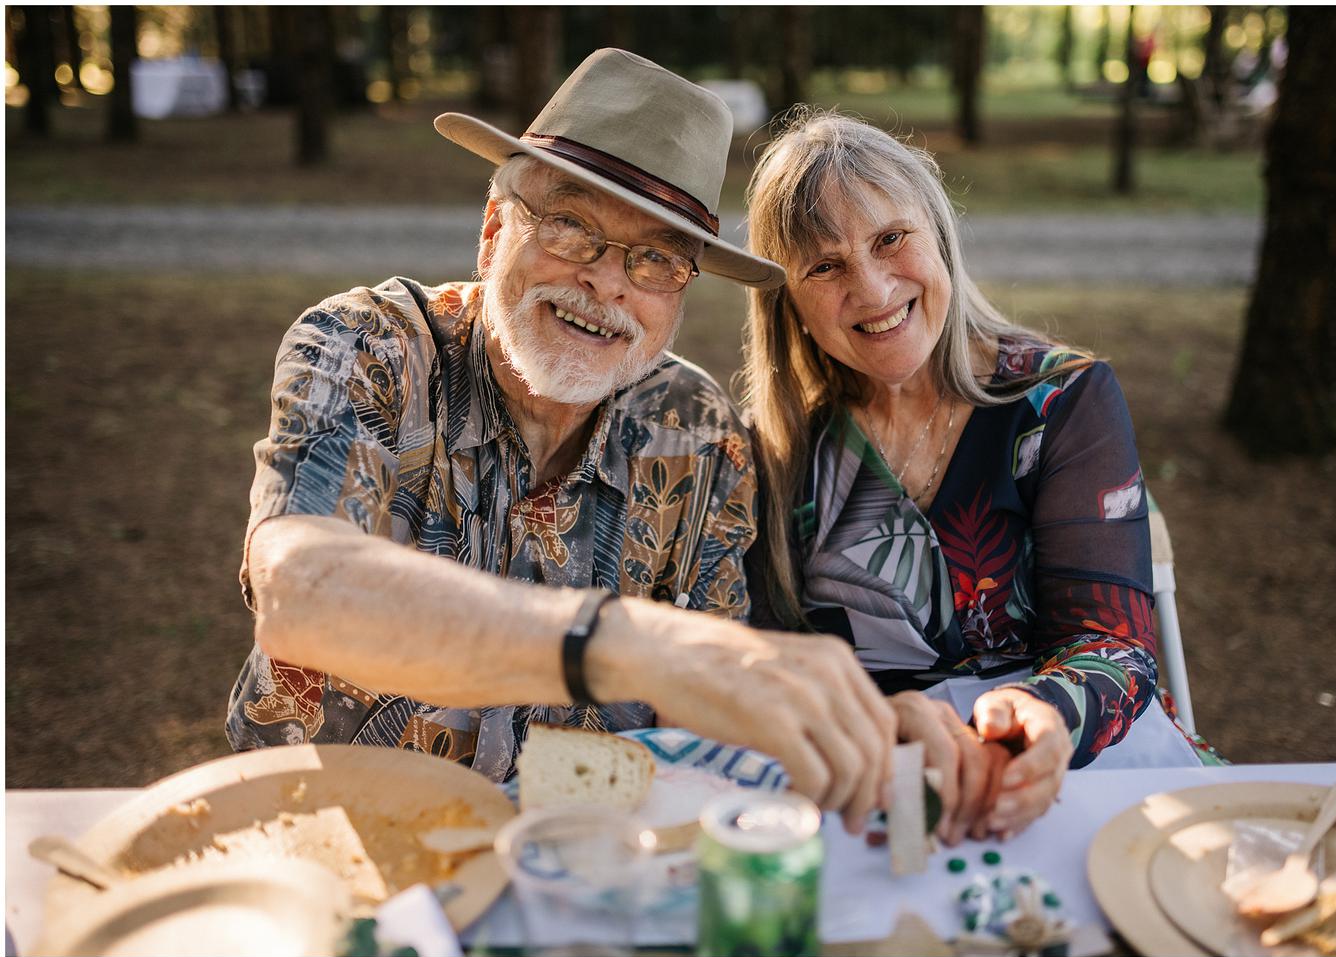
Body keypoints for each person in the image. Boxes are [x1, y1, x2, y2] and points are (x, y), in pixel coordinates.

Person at [224, 50, 900, 834]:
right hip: (328, 840)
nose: (608, 283)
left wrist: (884, 731)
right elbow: (300, 592)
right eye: (571, 226)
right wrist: (624, 642)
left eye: (656, 258)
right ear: (492, 230)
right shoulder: (369, 347)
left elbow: (713, 712)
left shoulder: (698, 431)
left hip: (576, 861)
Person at [741, 110, 1217, 841]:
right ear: (791, 302)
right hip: (881, 789)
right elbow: (769, 666)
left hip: (1067, 765)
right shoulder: (779, 449)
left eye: (889, 239)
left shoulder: (1063, 401)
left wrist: (1041, 718)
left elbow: (1115, 645)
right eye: (825, 265)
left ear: (940, 237)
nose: (870, 289)